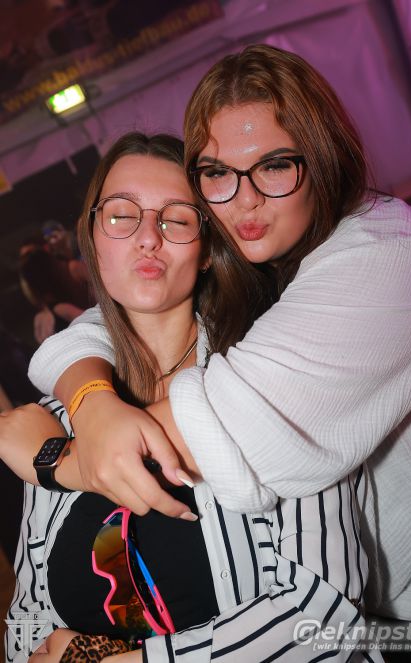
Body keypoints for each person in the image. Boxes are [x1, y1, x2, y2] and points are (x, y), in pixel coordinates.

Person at [3, 44, 411, 638]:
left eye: (275, 165)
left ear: (324, 158)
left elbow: (231, 416)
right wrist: (90, 399)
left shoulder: (386, 254)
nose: (245, 197)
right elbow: (110, 322)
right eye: (216, 173)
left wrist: (59, 460)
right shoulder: (268, 272)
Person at [4, 131, 374, 663]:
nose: (147, 237)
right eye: (121, 215)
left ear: (206, 252)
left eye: (176, 219)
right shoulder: (60, 422)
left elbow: (324, 615)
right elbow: (27, 619)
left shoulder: (267, 385)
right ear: (93, 242)